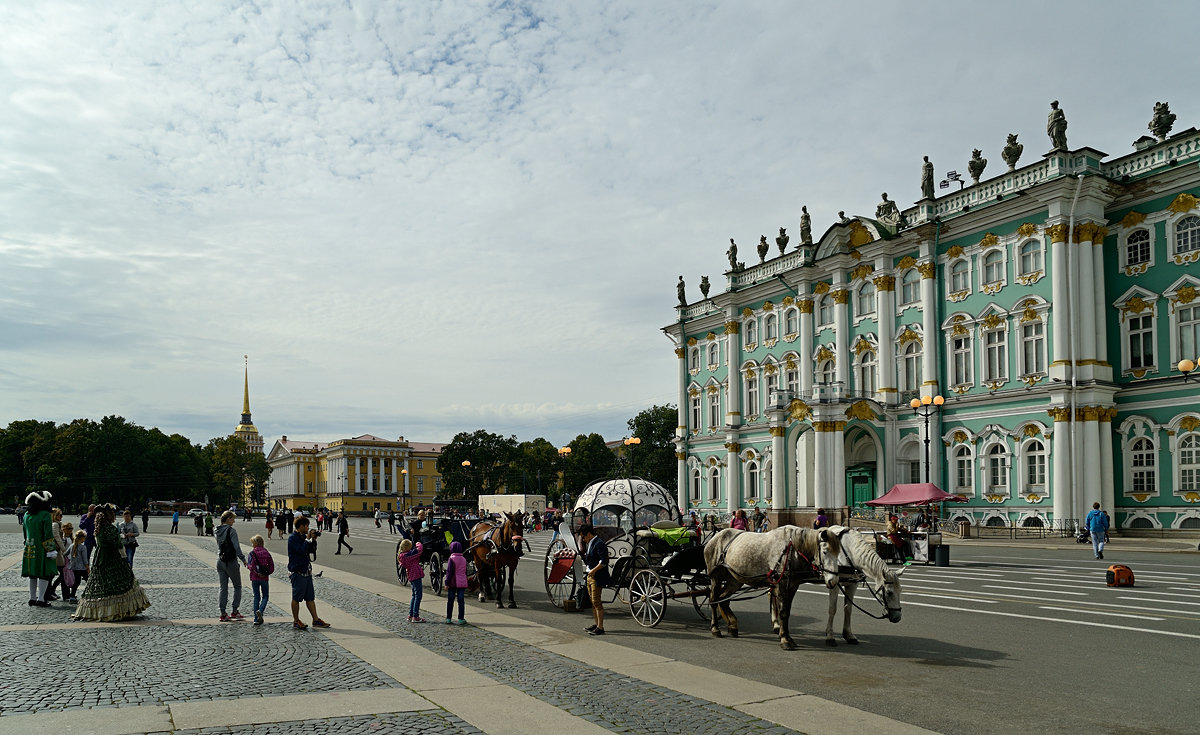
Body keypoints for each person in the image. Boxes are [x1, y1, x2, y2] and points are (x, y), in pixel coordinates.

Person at [73, 504, 151, 621]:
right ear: (109, 516)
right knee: (120, 582)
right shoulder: (110, 528)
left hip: (100, 558)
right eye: (113, 514)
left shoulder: (98, 528)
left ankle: (102, 611)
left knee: (102, 583)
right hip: (112, 558)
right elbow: (117, 544)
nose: (114, 516)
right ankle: (117, 610)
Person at [287, 515, 330, 630]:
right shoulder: (293, 538)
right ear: (301, 526)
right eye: (306, 526)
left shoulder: (302, 537)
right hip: (297, 571)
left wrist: (313, 540)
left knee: (310, 597)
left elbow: (310, 550)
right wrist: (307, 539)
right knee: (296, 598)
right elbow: (301, 550)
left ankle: (315, 620)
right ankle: (296, 621)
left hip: (306, 571)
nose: (308, 528)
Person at [22, 491, 57, 607]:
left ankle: (32, 598)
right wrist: (51, 550)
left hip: (29, 548)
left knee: (32, 574)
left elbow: (25, 533)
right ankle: (41, 599)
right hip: (42, 549)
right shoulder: (45, 515)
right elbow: (48, 534)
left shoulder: (26, 514)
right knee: (44, 573)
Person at [216, 510, 247, 621]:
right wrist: (243, 559)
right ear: (228, 519)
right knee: (237, 586)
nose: (233, 521)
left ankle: (223, 613)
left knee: (223, 587)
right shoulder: (231, 531)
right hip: (231, 561)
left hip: (220, 560)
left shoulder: (217, 530)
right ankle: (234, 611)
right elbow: (236, 548)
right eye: (233, 519)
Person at [578, 523, 608, 635]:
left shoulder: (599, 543)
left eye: (584, 537)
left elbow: (604, 562)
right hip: (591, 575)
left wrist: (593, 571)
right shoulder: (591, 543)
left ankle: (600, 627)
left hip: (597, 576)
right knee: (593, 602)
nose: (583, 539)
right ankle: (596, 624)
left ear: (589, 534)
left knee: (597, 602)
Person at [246, 534, 274, 625]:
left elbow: (250, 566)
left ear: (255, 543)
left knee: (256, 597)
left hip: (254, 578)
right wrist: (265, 573)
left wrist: (256, 573)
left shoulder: (252, 553)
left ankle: (255, 618)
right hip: (264, 578)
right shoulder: (267, 553)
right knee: (265, 596)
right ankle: (260, 611)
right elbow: (271, 567)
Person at [398, 538, 425, 622]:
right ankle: (415, 616)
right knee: (418, 596)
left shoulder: (402, 556)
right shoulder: (409, 554)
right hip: (415, 575)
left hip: (411, 575)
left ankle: (411, 614)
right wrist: (418, 543)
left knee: (414, 595)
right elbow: (419, 550)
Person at [443, 541, 467, 625]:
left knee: (450, 600)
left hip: (452, 582)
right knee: (461, 601)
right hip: (461, 582)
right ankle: (461, 618)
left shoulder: (451, 559)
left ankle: (448, 618)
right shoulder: (464, 559)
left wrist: (446, 583)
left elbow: (449, 572)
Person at [65, 530, 90, 603]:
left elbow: (65, 553)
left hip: (74, 567)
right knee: (88, 580)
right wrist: (87, 568)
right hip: (82, 568)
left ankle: (72, 596)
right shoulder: (83, 547)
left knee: (77, 581)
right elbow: (85, 560)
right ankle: (90, 594)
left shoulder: (72, 546)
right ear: (82, 538)